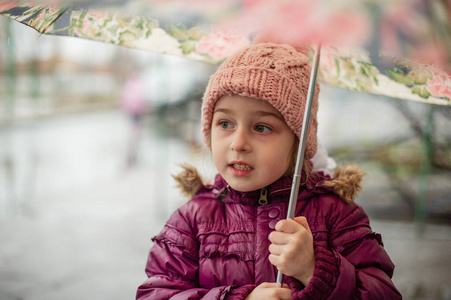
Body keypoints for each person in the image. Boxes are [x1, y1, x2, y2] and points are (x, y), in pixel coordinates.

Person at [136, 43, 402, 299]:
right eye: (225, 123)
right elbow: (158, 293)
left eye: (261, 127)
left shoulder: (337, 215)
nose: (238, 143)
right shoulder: (192, 221)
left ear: (298, 142)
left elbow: (383, 292)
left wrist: (315, 270)